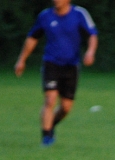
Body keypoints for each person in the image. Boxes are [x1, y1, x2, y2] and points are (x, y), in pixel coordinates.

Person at [14, 0, 97, 147]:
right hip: (51, 63)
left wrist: (90, 52)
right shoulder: (45, 16)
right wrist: (22, 59)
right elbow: (33, 37)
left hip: (71, 66)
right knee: (50, 99)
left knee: (66, 107)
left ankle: (50, 124)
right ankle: (46, 137)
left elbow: (92, 34)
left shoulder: (79, 14)